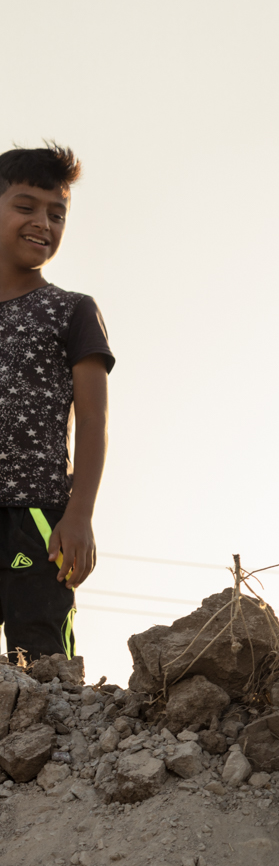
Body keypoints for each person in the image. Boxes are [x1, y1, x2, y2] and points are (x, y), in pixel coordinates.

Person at [0, 144, 113, 663]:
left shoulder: (71, 311)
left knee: (44, 669)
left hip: (38, 519)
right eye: (26, 207)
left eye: (57, 213)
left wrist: (79, 514)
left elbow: (93, 420)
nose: (42, 223)